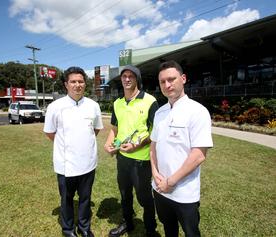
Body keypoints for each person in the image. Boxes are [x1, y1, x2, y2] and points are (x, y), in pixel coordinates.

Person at [150, 60, 213, 237]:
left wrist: (171, 182)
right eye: (162, 81)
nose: (167, 85)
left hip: (184, 193)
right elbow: (153, 145)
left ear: (183, 79)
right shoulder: (160, 112)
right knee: (169, 229)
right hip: (160, 188)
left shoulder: (197, 111)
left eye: (171, 79)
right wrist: (155, 173)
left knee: (191, 232)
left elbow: (199, 155)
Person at [43, 66, 103, 237]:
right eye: (73, 82)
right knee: (66, 199)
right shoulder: (55, 106)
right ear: (66, 85)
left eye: (81, 81)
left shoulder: (93, 105)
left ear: (85, 84)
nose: (77, 85)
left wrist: (83, 143)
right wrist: (66, 144)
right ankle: (68, 229)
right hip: (65, 164)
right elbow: (49, 132)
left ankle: (84, 228)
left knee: (85, 199)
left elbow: (96, 129)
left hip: (88, 163)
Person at [104, 65, 159, 237]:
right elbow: (114, 128)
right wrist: (108, 143)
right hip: (122, 159)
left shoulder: (150, 101)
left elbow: (156, 133)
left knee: (144, 198)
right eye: (124, 76)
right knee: (124, 194)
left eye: (131, 76)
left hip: (141, 161)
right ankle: (128, 223)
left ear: (137, 79)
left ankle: (150, 229)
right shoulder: (117, 103)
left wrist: (138, 145)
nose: (127, 79)